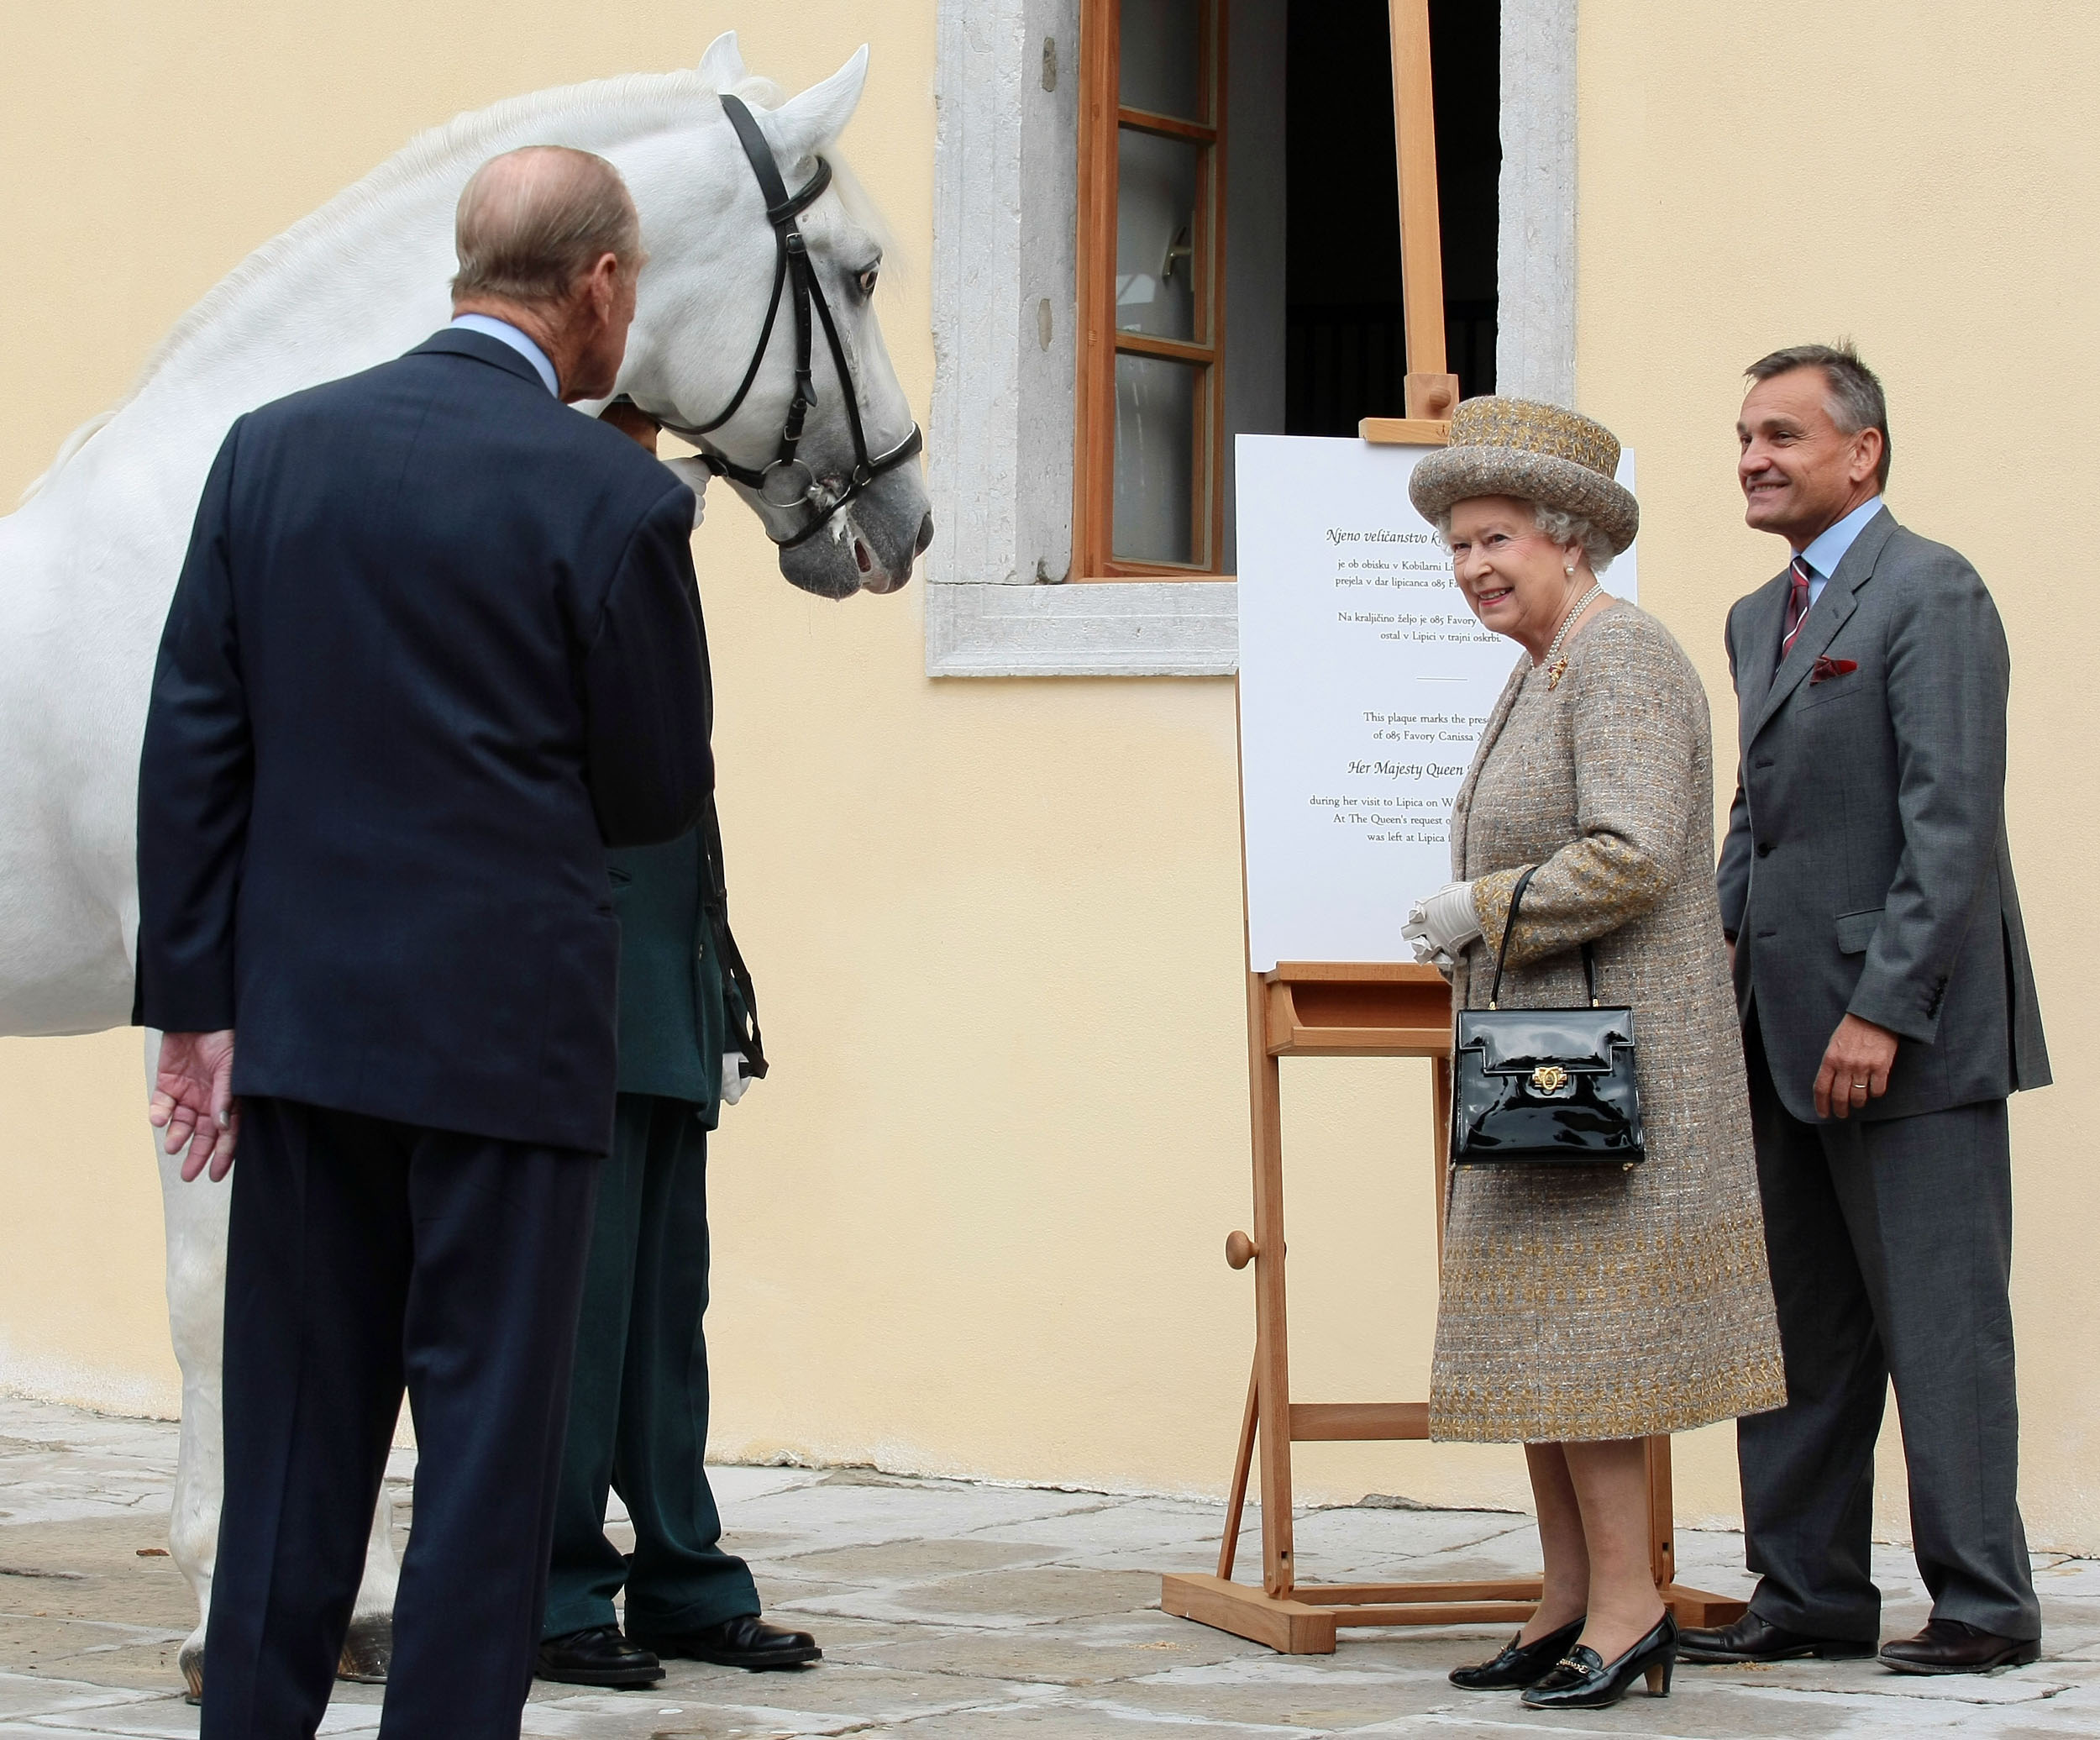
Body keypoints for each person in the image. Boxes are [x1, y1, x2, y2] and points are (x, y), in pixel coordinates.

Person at [135, 145, 715, 1738]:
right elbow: (658, 792)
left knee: (295, 1450)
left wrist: (199, 1008)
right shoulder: (612, 497)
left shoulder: (270, 452)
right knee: (481, 1465)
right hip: (508, 1050)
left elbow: (193, 743)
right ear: (600, 288)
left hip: (307, 1032)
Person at [1401, 397, 1786, 1712]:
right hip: (1549, 1056)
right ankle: (1567, 1597)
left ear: (1568, 539)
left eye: (1493, 539)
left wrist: (1483, 908)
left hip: (1610, 1060)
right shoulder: (1548, 659)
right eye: (1457, 546)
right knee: (1539, 1343)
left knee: (1594, 1347)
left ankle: (1627, 1613)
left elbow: (1636, 852)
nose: (1472, 568)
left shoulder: (1621, 658)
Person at [1679, 344, 2050, 1676]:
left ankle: (1984, 1608)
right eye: (1742, 437)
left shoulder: (1931, 591)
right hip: (1776, 1034)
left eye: (1781, 434)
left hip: (1914, 1039)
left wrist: (1884, 1009)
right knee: (1793, 1337)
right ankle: (1808, 1596)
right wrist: (1712, 980)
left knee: (1943, 1330)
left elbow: (1951, 829)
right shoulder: (1749, 616)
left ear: (1863, 452)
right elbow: (1755, 823)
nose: (1753, 458)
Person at [533, 402, 820, 1690]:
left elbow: (684, 800)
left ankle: (684, 1579)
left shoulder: (643, 564)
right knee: (576, 1325)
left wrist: (715, 995)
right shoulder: (540, 569)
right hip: (573, 996)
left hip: (663, 988)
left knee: (663, 1323)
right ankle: (547, 1594)